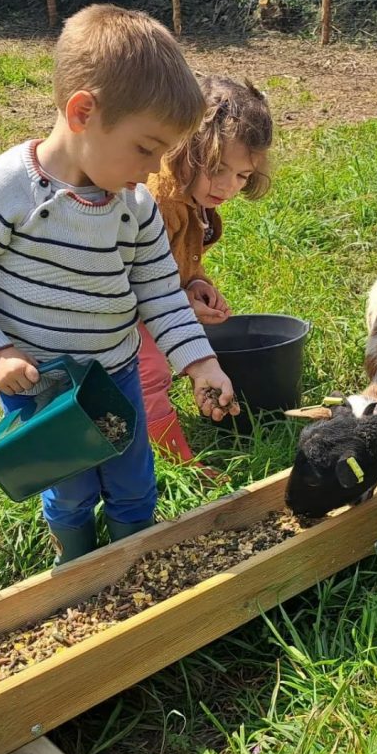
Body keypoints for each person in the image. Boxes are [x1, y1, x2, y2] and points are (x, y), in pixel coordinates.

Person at [0, 4, 238, 564]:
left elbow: (162, 293)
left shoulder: (134, 206)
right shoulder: (3, 192)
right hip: (42, 384)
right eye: (145, 148)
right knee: (69, 490)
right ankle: (76, 566)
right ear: (83, 112)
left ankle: (131, 564)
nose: (152, 169)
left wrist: (200, 364)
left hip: (115, 375)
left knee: (133, 481)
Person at [139, 75, 273, 463]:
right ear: (186, 149)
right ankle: (172, 460)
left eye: (242, 176)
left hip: (154, 301)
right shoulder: (156, 202)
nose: (229, 186)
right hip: (121, 309)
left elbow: (174, 263)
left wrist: (195, 284)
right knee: (150, 374)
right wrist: (179, 302)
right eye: (218, 168)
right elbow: (137, 280)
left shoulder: (194, 196)